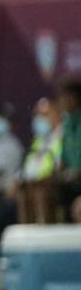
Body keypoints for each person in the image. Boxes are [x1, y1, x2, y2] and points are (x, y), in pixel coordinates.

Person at [13, 98, 64, 225]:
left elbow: (59, 165)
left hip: (54, 183)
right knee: (22, 187)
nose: (40, 119)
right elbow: (28, 167)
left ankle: (46, 236)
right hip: (33, 184)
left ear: (57, 115)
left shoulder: (63, 137)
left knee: (40, 188)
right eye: (37, 115)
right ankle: (27, 236)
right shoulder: (38, 140)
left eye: (45, 114)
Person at [57, 79, 81, 222]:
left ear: (74, 98)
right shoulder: (66, 122)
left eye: (63, 97)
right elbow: (64, 156)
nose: (61, 101)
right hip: (71, 182)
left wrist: (75, 174)